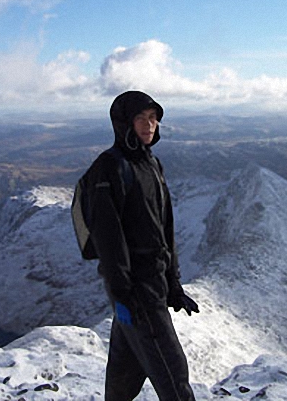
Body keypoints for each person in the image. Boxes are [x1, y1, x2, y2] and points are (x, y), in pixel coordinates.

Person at [87, 90, 199, 401]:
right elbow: (108, 237)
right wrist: (123, 292)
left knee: (123, 377)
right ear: (123, 123)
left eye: (153, 118)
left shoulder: (152, 164)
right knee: (174, 376)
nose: (149, 125)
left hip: (154, 285)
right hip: (137, 290)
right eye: (141, 118)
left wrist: (173, 284)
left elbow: (165, 230)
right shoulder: (109, 168)